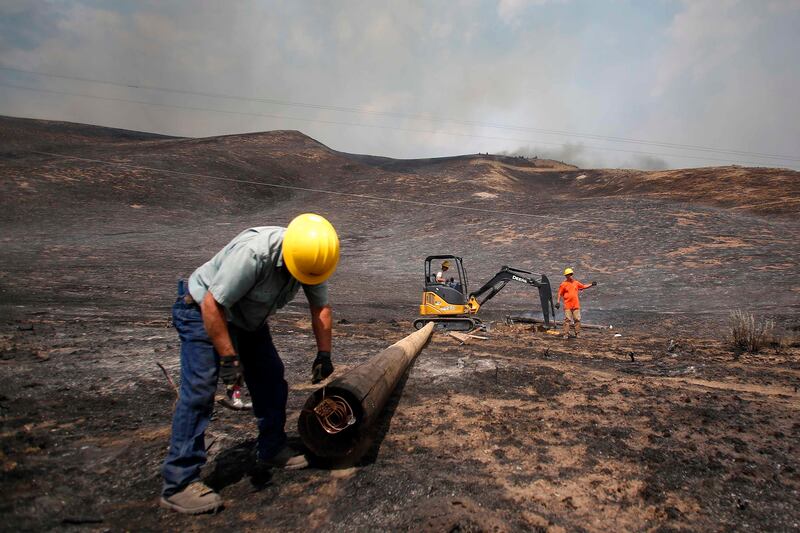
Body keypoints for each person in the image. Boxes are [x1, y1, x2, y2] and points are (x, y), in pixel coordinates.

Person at [159, 213, 340, 515]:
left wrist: (324, 354)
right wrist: (229, 360)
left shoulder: (315, 257)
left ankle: (271, 449)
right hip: (202, 311)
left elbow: (320, 307)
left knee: (271, 380)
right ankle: (178, 483)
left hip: (247, 320)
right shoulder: (255, 253)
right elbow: (212, 304)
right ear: (290, 255)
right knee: (200, 391)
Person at [555, 267, 596, 339]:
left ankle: (577, 334)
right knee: (567, 320)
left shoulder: (576, 283)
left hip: (576, 305)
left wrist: (591, 285)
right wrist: (558, 302)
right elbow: (559, 293)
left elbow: (583, 286)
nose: (570, 275)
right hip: (567, 305)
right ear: (566, 276)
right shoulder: (563, 284)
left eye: (571, 274)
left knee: (577, 319)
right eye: (569, 274)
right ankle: (566, 334)